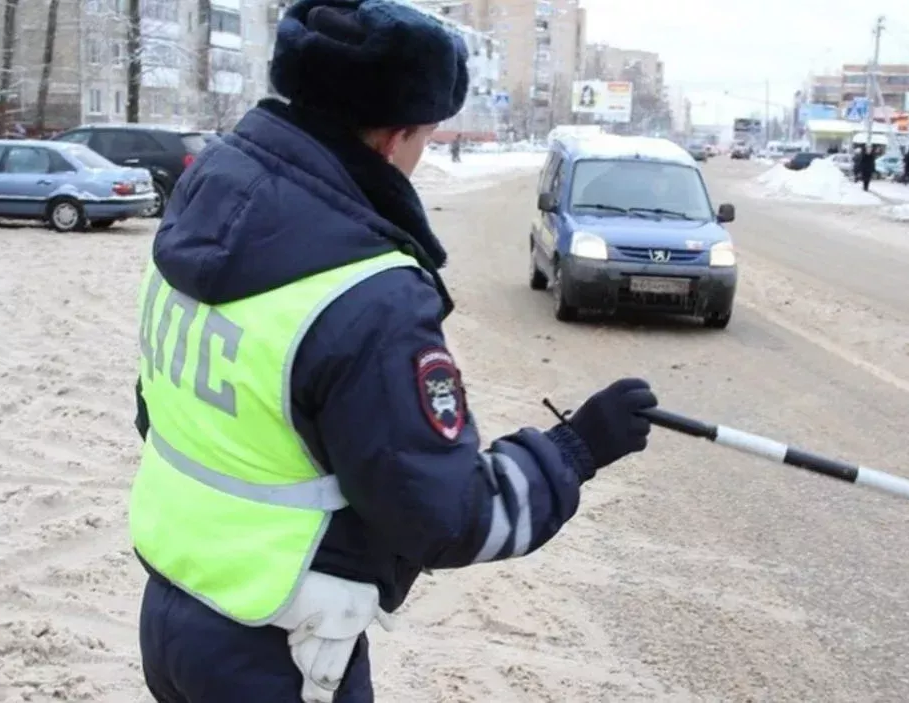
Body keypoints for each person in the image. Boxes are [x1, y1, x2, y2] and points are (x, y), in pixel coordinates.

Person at [129, 1, 659, 702]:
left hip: (172, 611)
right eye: (424, 139)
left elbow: (161, 412)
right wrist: (574, 449)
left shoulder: (200, 213)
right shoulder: (365, 292)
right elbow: (441, 516)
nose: (420, 158)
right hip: (279, 646)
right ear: (392, 138)